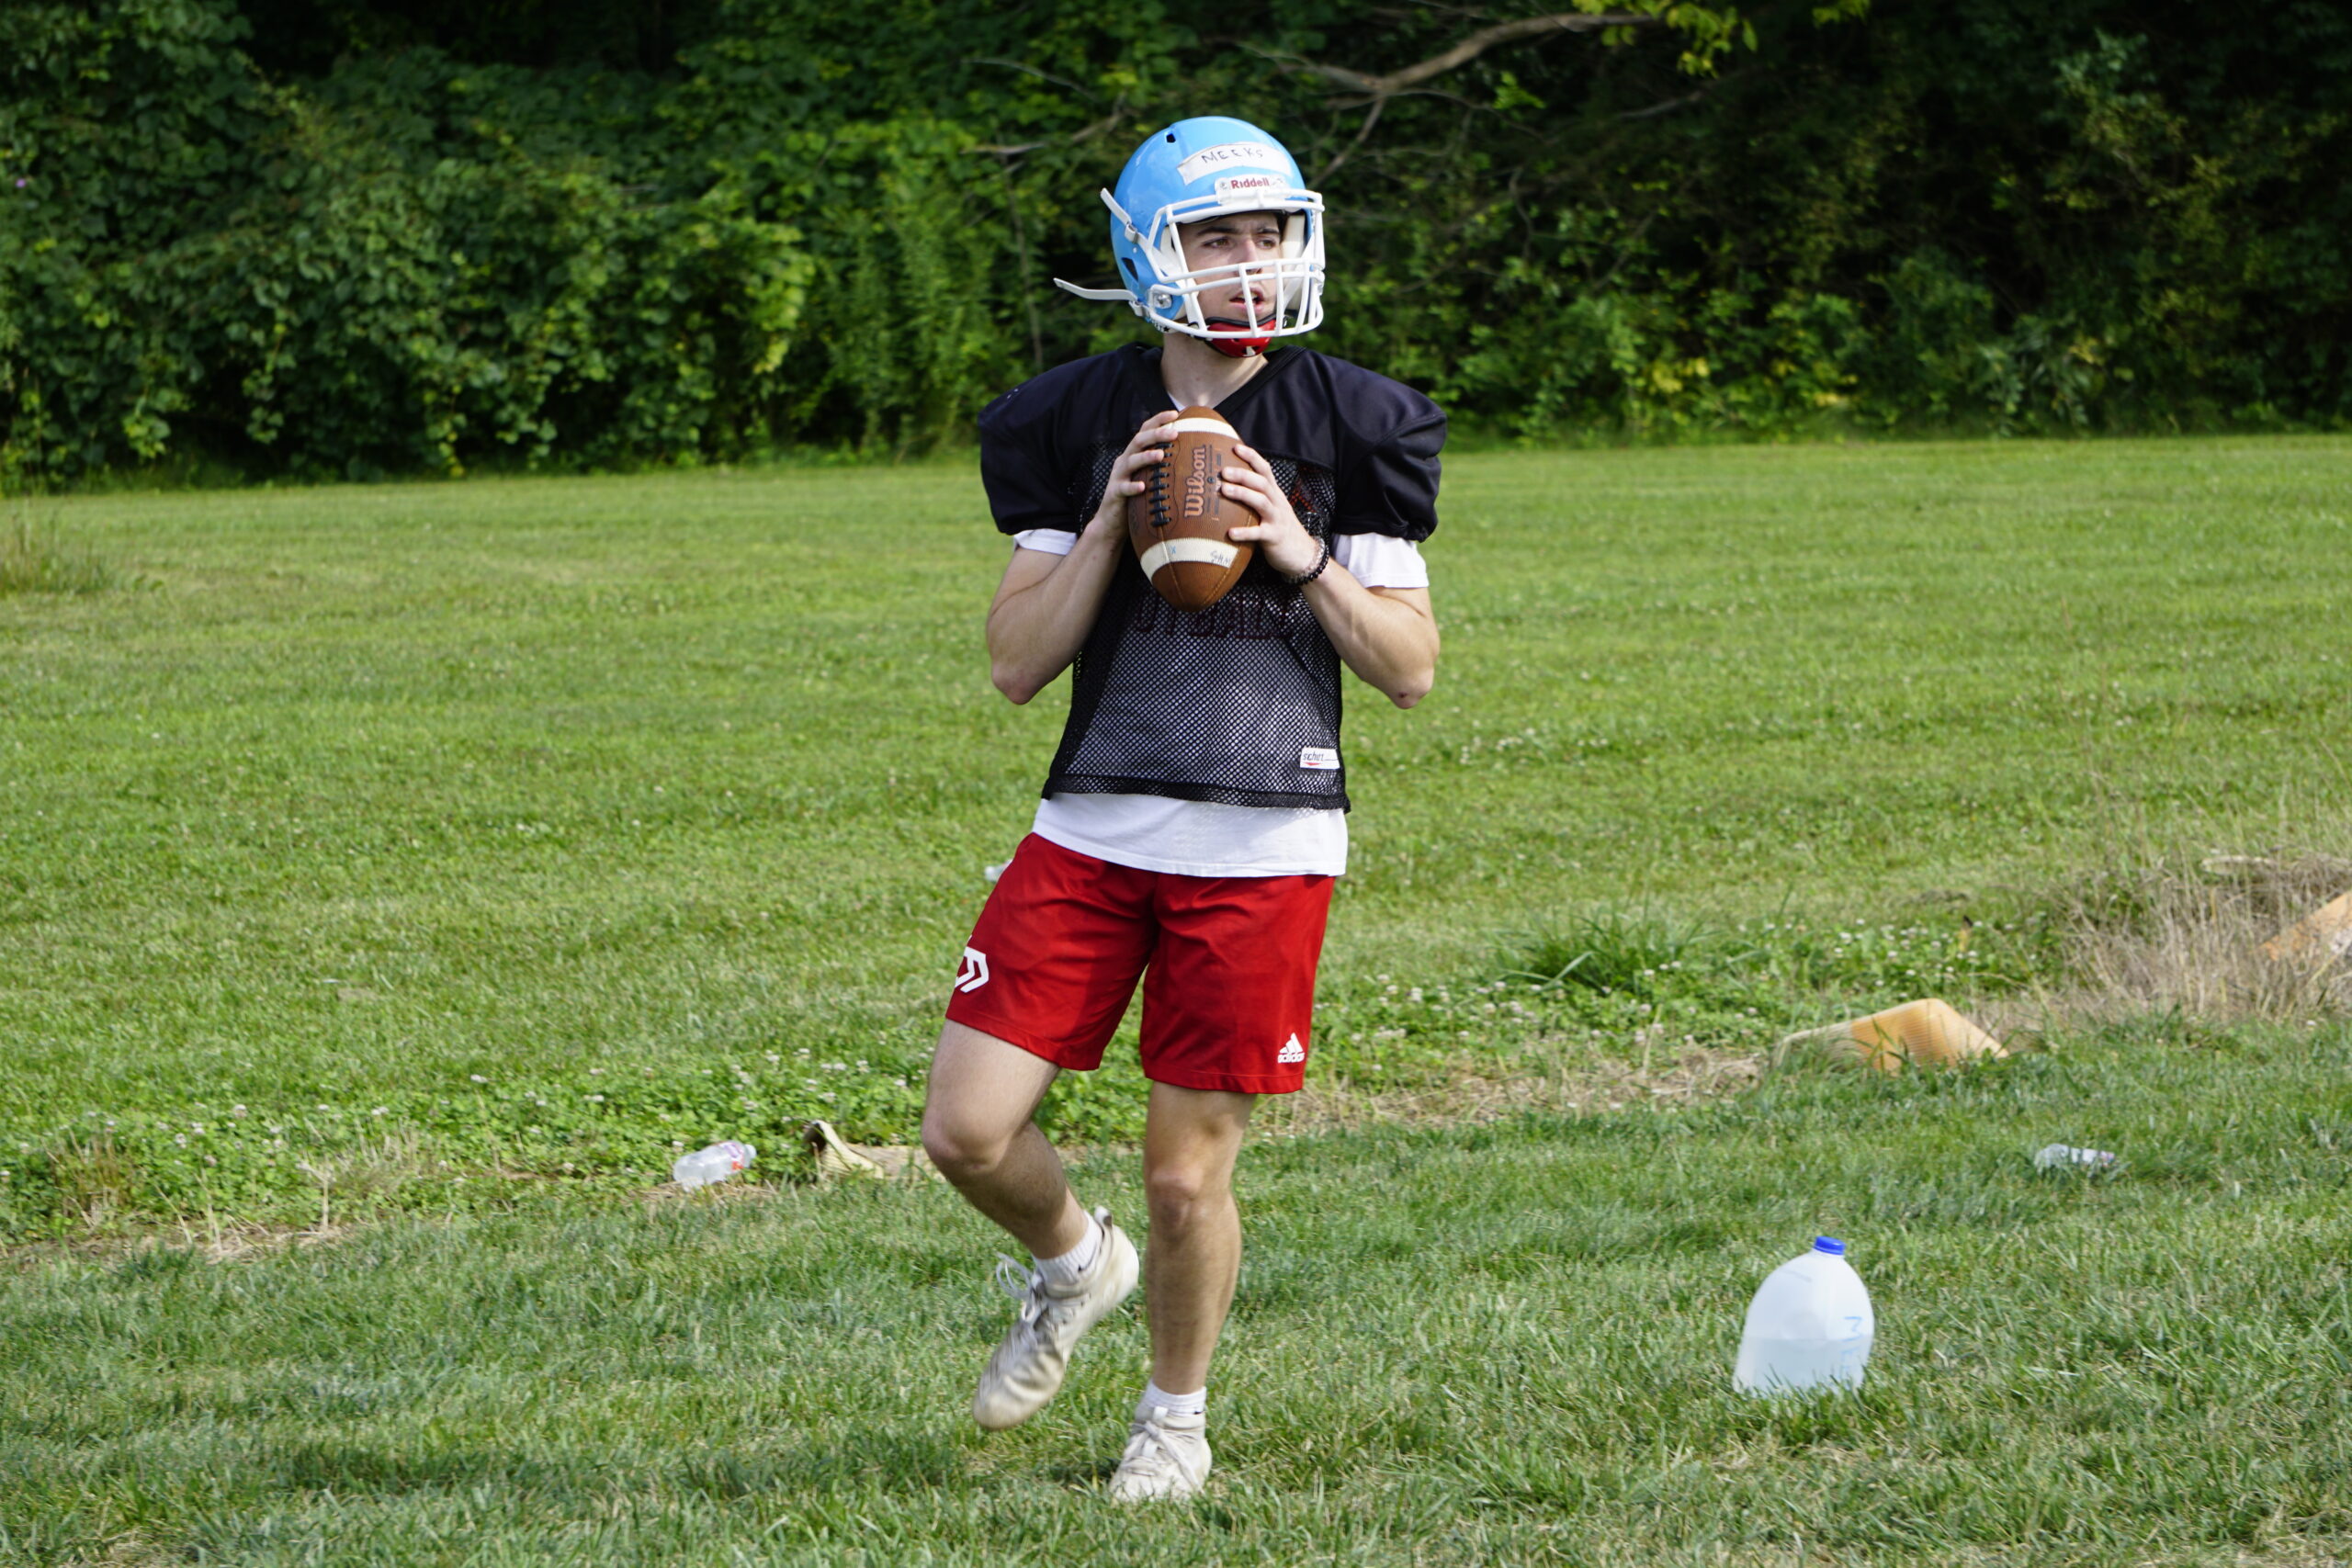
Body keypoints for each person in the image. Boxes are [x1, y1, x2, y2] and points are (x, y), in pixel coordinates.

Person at [919, 116, 1443, 1502]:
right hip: (1093, 823)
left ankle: (1174, 1419)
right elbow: (1019, 665)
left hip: (1266, 839)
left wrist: (1297, 546)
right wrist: (1107, 521)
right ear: (1150, 255)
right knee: (967, 1130)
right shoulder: (1070, 418)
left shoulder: (1358, 422)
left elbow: (1409, 669)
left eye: (1269, 230)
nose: (1252, 258)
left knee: (1183, 1177)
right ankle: (1072, 1267)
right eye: (1219, 235)